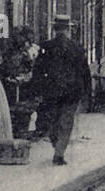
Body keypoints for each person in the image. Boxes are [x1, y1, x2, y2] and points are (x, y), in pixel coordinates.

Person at [31, 16, 91, 166]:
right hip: (71, 91)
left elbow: (38, 70)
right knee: (66, 121)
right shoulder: (77, 47)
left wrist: (37, 89)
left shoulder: (46, 46)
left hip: (53, 91)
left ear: (54, 29)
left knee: (54, 120)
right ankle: (59, 151)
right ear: (68, 29)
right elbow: (84, 71)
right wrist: (87, 91)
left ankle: (57, 147)